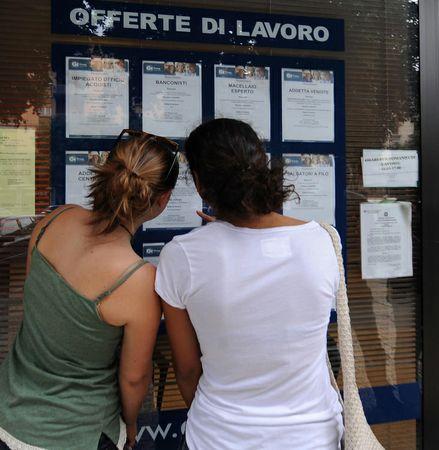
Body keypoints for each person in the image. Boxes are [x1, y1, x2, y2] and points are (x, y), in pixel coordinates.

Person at [156, 119, 343, 450]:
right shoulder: (323, 241)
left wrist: (221, 234)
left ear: (199, 183)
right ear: (261, 165)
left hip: (218, 438)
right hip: (314, 437)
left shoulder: (182, 256)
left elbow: (186, 370)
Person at [0, 129, 179, 450]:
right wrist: (132, 424)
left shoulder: (56, 219)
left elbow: (35, 305)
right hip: (80, 432)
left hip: (9, 415)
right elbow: (134, 379)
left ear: (107, 169)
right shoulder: (139, 280)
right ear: (163, 200)